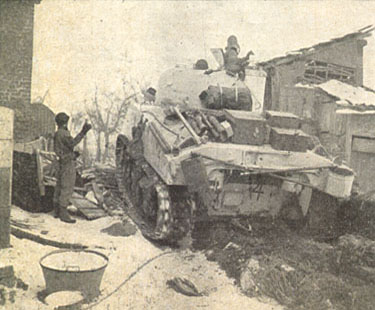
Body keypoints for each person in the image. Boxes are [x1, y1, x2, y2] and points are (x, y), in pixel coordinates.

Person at [53, 112, 92, 223]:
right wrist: (83, 131)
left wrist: (72, 154)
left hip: (61, 162)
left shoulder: (57, 133)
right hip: (67, 163)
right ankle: (63, 214)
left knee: (59, 186)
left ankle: (56, 211)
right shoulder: (64, 133)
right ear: (65, 122)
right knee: (67, 186)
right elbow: (72, 143)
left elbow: (63, 148)